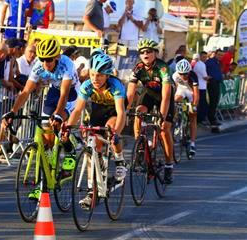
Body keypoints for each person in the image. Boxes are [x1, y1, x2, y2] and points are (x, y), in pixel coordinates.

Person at [2, 38, 80, 199]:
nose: (46, 63)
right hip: (53, 92)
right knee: (46, 136)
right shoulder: (38, 65)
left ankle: (69, 148)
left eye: (49, 60)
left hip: (71, 94)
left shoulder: (67, 65)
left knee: (57, 122)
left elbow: (65, 95)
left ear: (57, 57)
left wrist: (58, 115)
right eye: (43, 59)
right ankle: (44, 181)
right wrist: (12, 111)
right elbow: (25, 92)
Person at [66, 53, 127, 207]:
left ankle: (120, 160)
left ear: (107, 76)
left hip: (114, 110)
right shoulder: (87, 85)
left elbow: (121, 113)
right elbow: (78, 110)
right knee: (91, 144)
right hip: (98, 110)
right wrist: (67, 127)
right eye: (93, 74)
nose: (95, 78)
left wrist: (116, 135)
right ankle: (93, 188)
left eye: (99, 75)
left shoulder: (115, 85)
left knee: (111, 129)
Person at [126, 39, 175, 184]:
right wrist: (124, 109)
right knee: (138, 112)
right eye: (142, 52)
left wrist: (162, 115)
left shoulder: (163, 68)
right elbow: (130, 93)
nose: (145, 54)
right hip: (148, 94)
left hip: (164, 97)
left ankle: (168, 165)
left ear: (155, 53)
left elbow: (166, 96)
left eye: (148, 51)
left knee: (164, 129)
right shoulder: (138, 68)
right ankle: (140, 146)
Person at [173, 59, 199, 156]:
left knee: (193, 115)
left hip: (191, 92)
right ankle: (177, 120)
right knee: (175, 100)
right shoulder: (175, 76)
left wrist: (194, 106)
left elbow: (196, 94)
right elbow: (174, 90)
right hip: (181, 90)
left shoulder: (193, 76)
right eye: (181, 74)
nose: (183, 76)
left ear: (189, 72)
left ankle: (192, 143)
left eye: (185, 74)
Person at [205, 48, 223, 126]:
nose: (220, 56)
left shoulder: (218, 62)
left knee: (215, 102)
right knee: (212, 101)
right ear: (215, 54)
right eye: (219, 55)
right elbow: (204, 70)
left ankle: (213, 118)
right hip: (211, 83)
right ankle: (211, 119)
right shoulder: (209, 62)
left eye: (221, 55)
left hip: (217, 83)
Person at [193, 51, 210, 125]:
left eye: (206, 57)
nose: (205, 58)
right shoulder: (201, 64)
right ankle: (200, 119)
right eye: (203, 57)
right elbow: (205, 77)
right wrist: (210, 78)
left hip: (198, 86)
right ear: (200, 57)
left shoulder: (196, 64)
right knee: (203, 104)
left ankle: (198, 119)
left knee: (199, 103)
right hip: (201, 87)